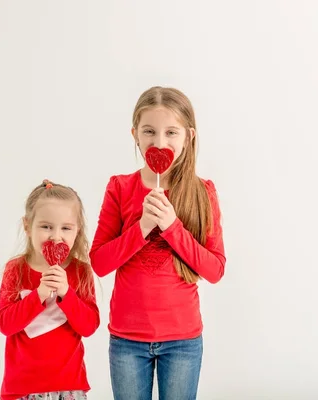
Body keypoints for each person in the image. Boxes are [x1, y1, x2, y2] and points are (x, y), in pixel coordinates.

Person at [90, 86, 226, 400]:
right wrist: (141, 228)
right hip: (127, 340)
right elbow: (99, 262)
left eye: (171, 132)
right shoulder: (120, 187)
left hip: (183, 340)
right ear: (135, 134)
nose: (159, 142)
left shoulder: (203, 192)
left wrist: (172, 227)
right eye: (149, 131)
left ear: (189, 136)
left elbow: (215, 269)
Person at [0, 180, 100, 400]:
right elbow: (5, 325)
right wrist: (39, 295)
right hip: (22, 388)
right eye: (46, 227)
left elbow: (89, 326)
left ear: (77, 230)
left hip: (68, 386)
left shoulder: (81, 271)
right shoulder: (16, 270)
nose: (56, 236)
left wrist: (66, 293)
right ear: (27, 226)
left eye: (66, 228)